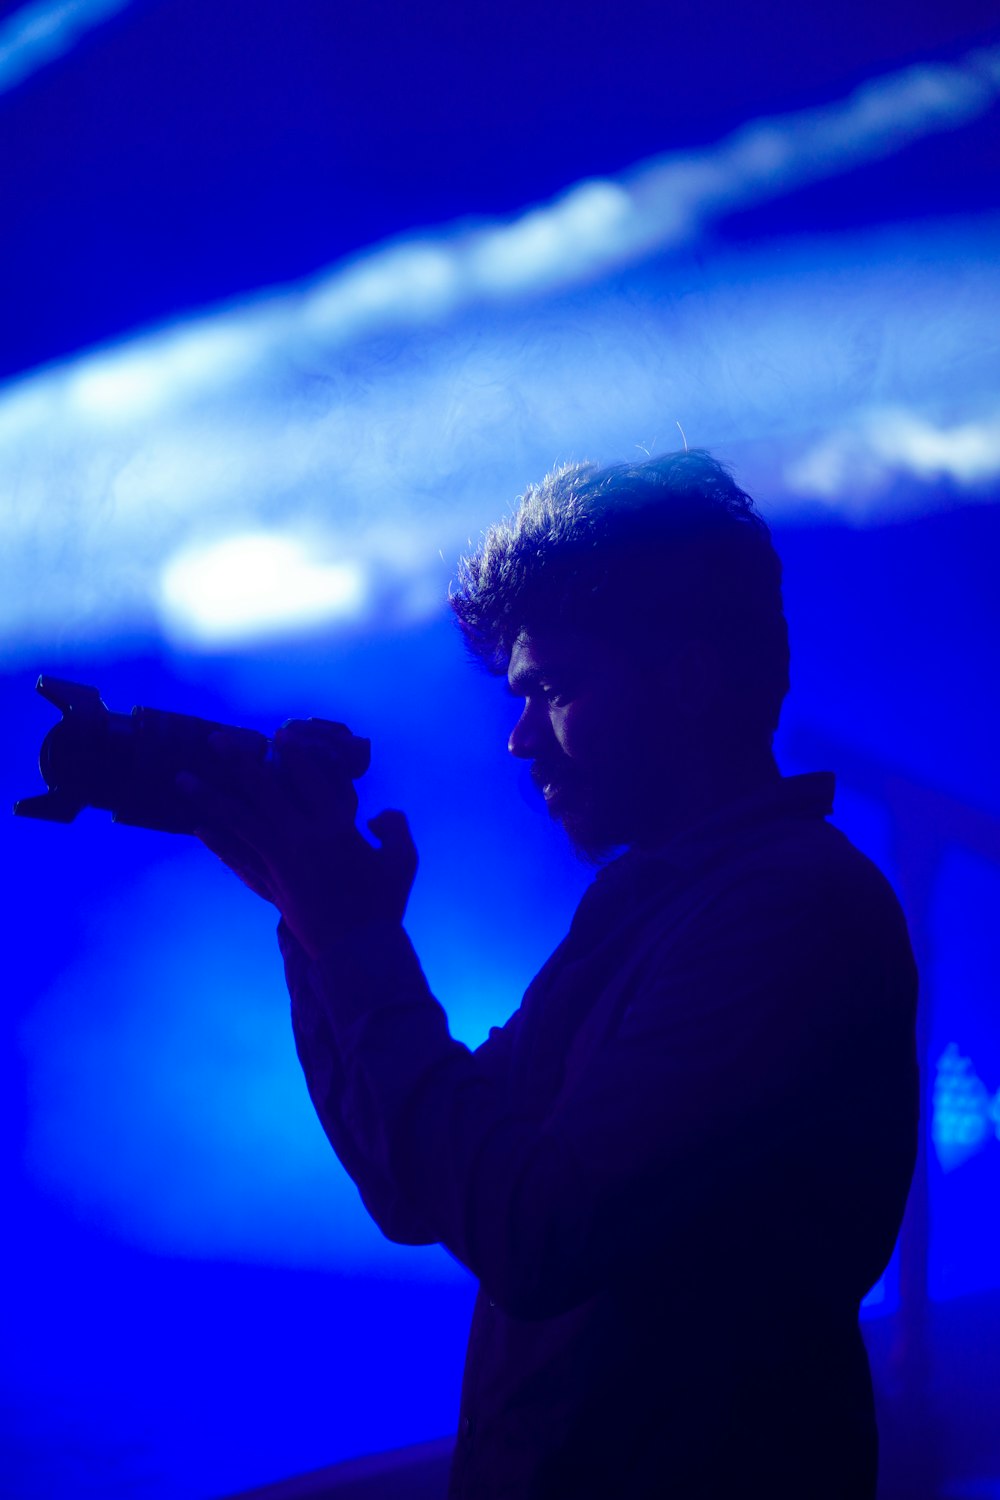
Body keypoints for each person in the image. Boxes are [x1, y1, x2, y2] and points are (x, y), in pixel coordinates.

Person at [181, 450, 919, 1499]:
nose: (522, 738)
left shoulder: (787, 910)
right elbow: (419, 1184)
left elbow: (538, 1231)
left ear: (688, 675)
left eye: (554, 689)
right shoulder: (656, 907)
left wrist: (352, 940)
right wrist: (313, 925)